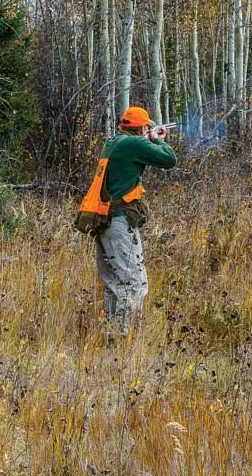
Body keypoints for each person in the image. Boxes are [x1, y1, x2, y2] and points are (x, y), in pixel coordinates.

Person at [95, 106, 177, 335]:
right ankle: (125, 335)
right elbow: (170, 159)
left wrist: (148, 139)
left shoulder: (113, 142)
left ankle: (111, 332)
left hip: (105, 220)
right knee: (133, 281)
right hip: (120, 222)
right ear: (141, 127)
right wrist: (158, 141)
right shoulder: (134, 144)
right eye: (146, 127)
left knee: (114, 280)